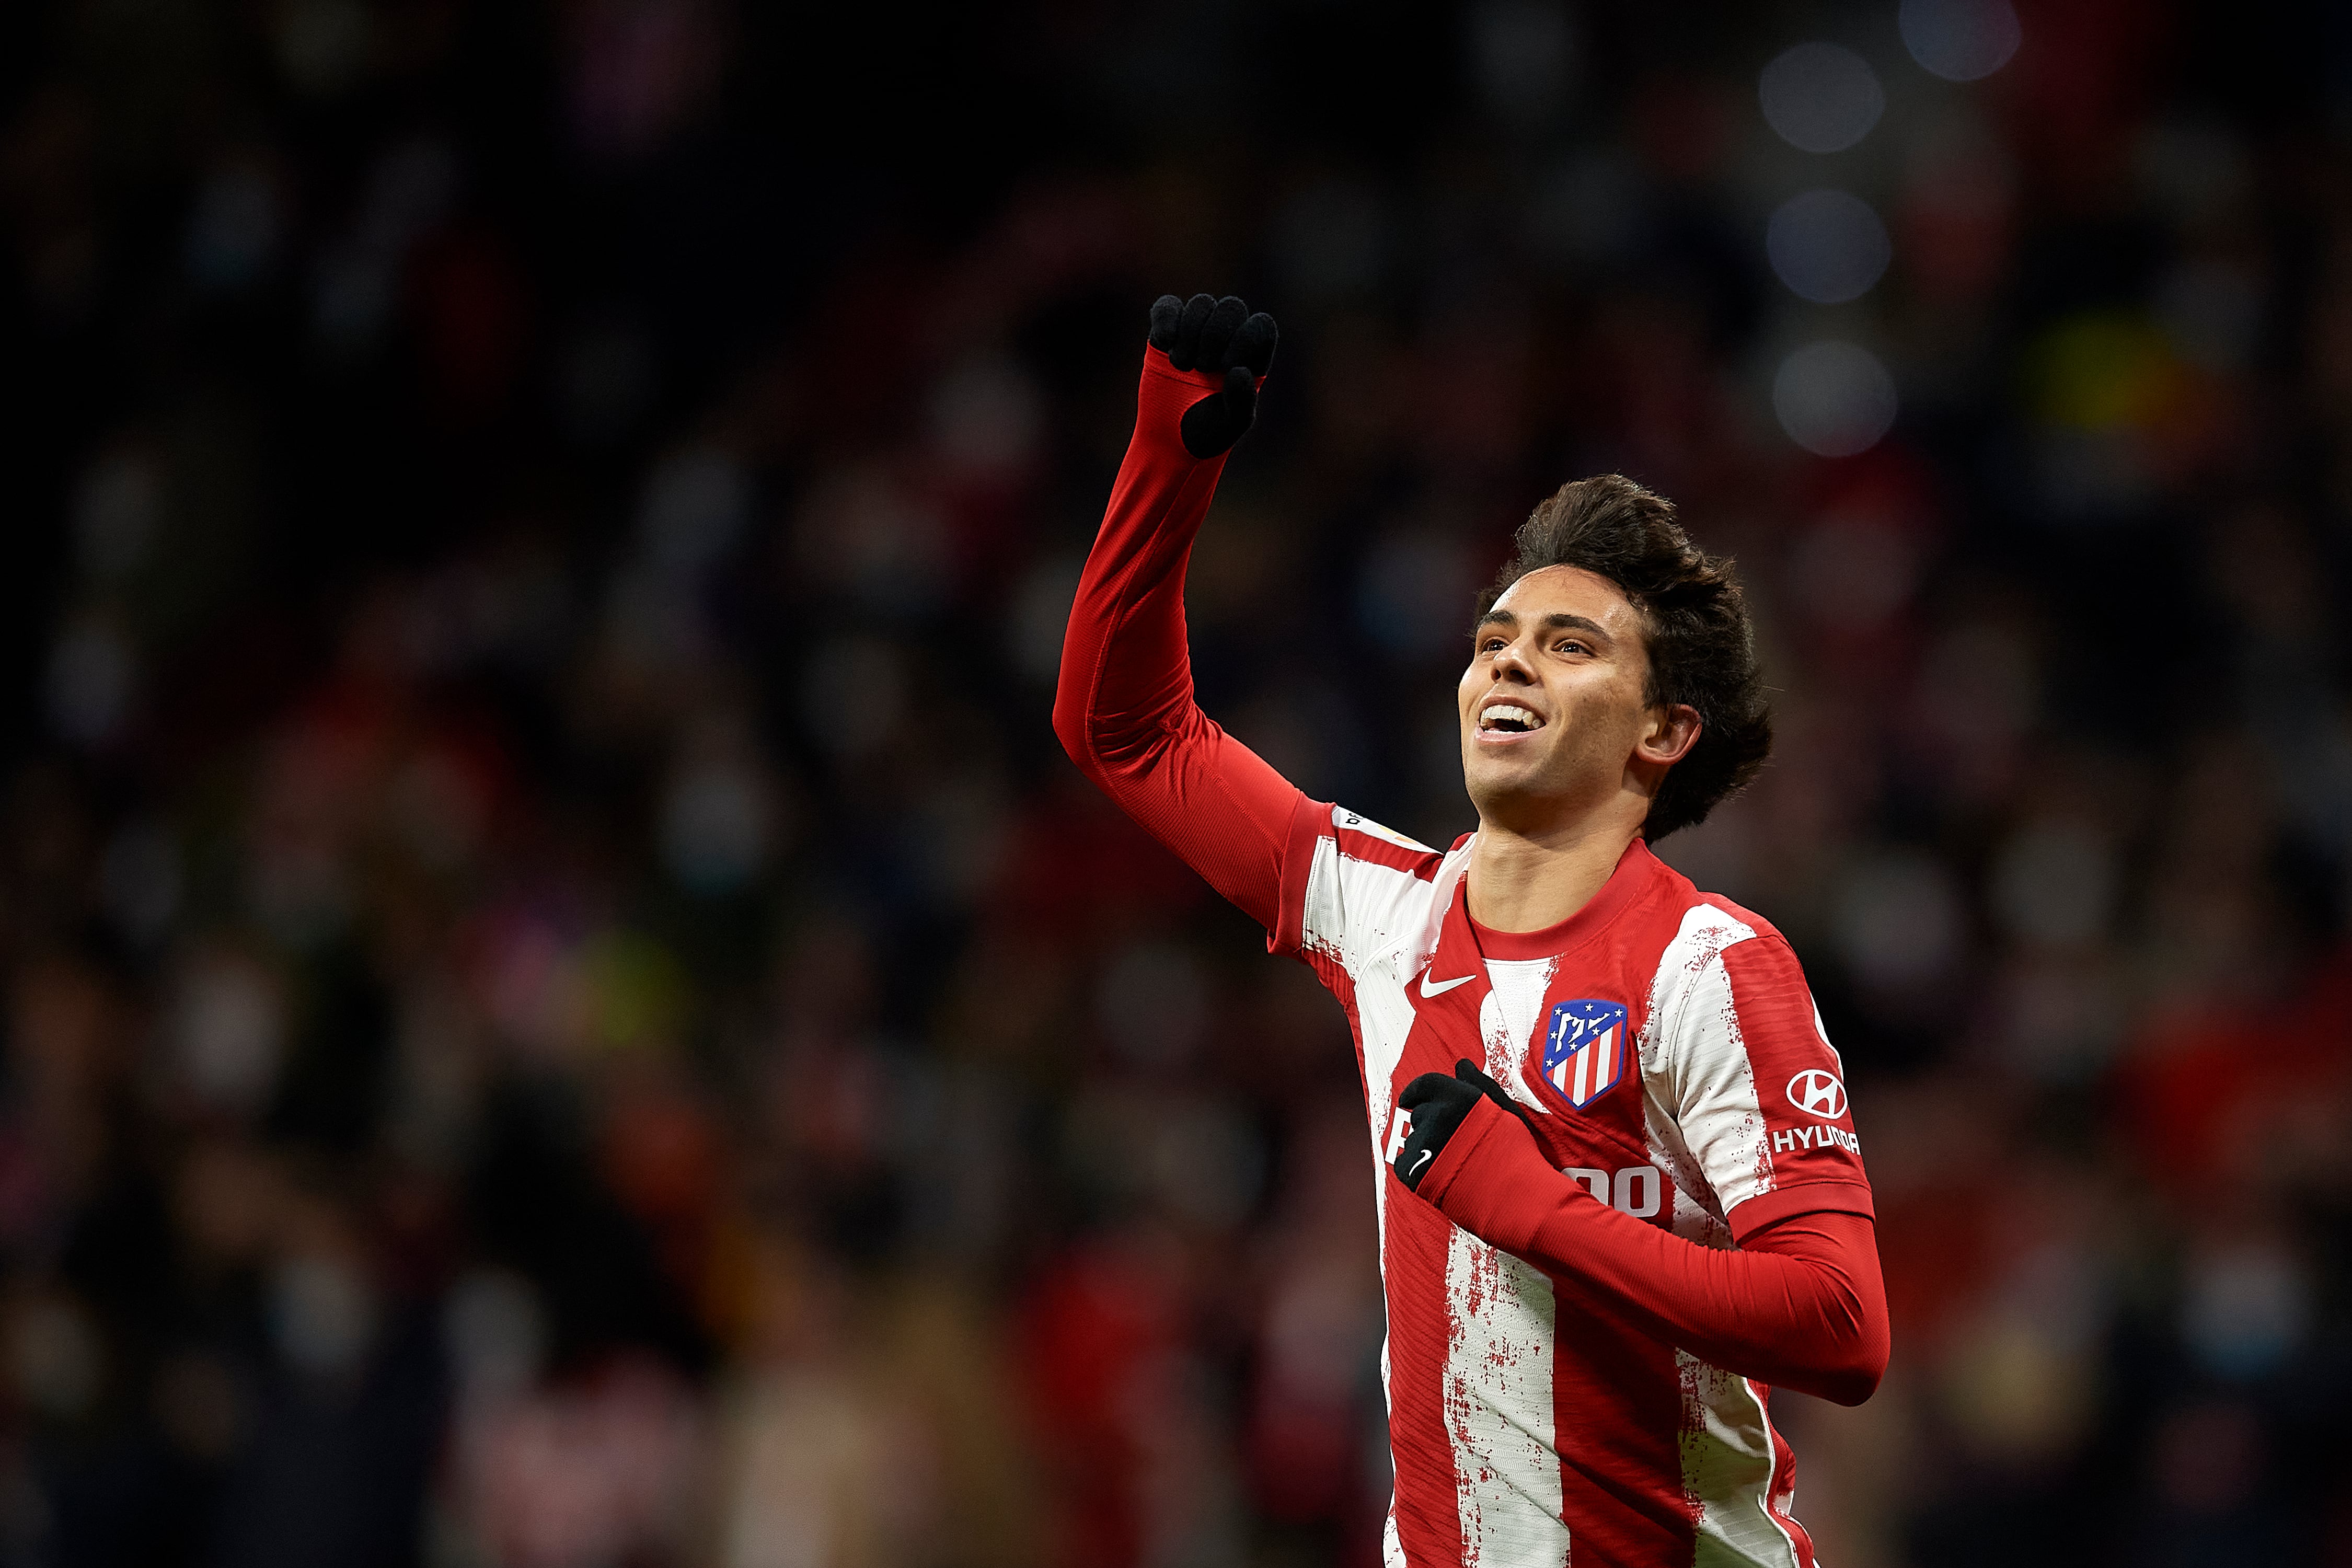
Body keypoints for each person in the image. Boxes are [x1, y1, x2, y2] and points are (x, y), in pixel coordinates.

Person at [1057, 295, 1888, 1567]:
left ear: (1663, 733)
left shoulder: (1713, 968)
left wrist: (1535, 1207)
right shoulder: (1378, 908)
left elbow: (1840, 1325)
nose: (1510, 664)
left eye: (1569, 647)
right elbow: (1127, 730)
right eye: (1496, 639)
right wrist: (1171, 459)